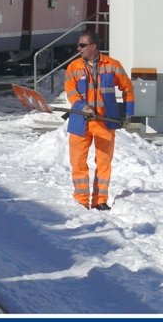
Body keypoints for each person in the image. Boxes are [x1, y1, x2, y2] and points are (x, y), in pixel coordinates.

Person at [63, 29, 134, 210]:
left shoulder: (112, 65)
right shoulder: (74, 67)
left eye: (82, 45)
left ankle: (100, 200)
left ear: (93, 46)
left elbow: (128, 89)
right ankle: (81, 200)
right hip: (80, 120)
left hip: (104, 120)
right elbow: (71, 92)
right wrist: (82, 107)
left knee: (103, 162)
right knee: (78, 162)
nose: (78, 48)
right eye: (78, 45)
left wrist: (128, 113)